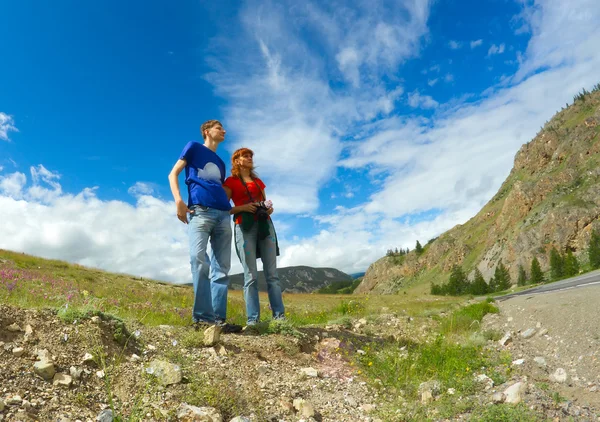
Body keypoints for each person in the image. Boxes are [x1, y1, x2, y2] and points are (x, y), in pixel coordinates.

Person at [168, 120, 241, 333]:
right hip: (200, 212)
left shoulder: (220, 162)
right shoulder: (193, 147)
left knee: (222, 268)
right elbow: (173, 174)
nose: (224, 131)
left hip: (223, 214)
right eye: (220, 128)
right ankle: (202, 319)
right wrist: (179, 201)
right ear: (207, 132)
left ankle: (218, 320)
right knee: (198, 260)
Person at [223, 148, 285, 327]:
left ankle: (279, 318)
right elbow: (225, 208)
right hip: (244, 225)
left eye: (250, 156)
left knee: (272, 274)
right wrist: (242, 208)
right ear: (237, 160)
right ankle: (253, 321)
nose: (249, 158)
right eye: (245, 156)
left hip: (265, 225)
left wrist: (269, 209)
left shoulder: (258, 181)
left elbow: (265, 202)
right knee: (250, 275)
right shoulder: (231, 182)